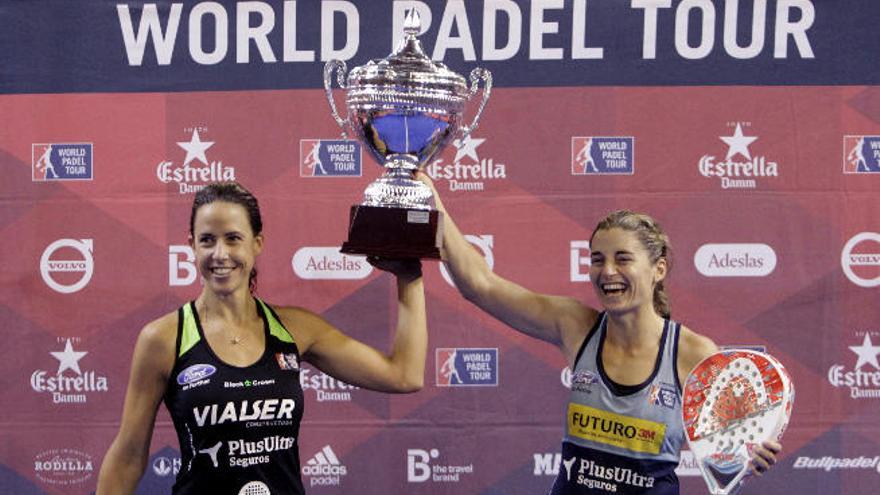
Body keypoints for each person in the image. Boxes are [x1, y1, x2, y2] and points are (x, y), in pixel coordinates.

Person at [415, 172, 781, 494]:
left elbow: (732, 452)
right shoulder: (574, 324)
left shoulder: (693, 353)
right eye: (597, 259)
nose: (607, 271)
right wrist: (436, 207)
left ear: (658, 269)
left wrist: (746, 458)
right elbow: (480, 286)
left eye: (623, 259)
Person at [96, 182, 426, 495]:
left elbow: (404, 374)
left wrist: (409, 277)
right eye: (207, 240)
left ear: (257, 243)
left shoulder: (296, 328)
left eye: (233, 238)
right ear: (192, 245)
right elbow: (128, 455)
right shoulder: (164, 338)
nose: (220, 254)